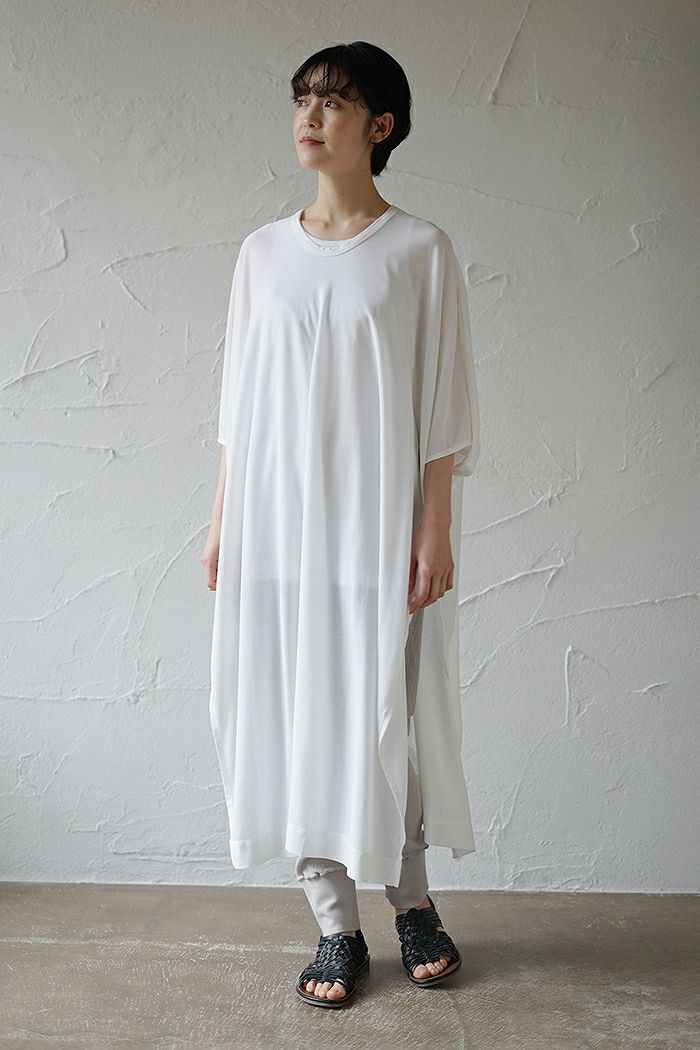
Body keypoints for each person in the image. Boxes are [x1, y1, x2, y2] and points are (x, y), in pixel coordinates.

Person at [201, 41, 480, 1009]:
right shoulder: (261, 254)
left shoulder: (419, 250)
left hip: (377, 522)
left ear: (381, 125)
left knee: (380, 713)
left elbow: (443, 407)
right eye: (302, 100)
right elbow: (238, 407)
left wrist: (434, 526)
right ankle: (333, 924)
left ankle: (411, 902)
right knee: (292, 713)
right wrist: (223, 524)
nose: (310, 118)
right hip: (276, 526)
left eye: (334, 102)